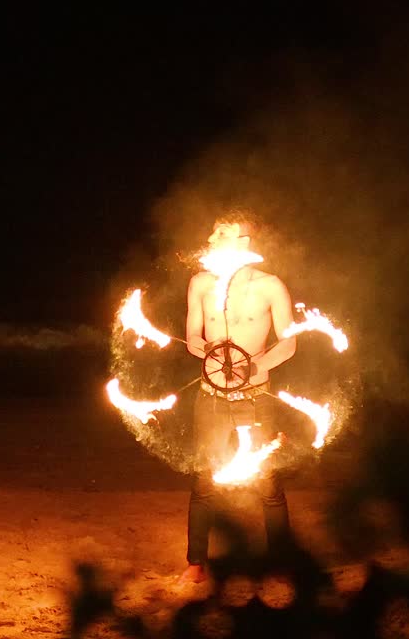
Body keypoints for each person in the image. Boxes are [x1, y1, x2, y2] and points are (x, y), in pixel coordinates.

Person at [179, 213, 297, 584]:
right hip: (211, 396)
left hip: (256, 396)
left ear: (244, 242)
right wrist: (209, 351)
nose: (211, 239)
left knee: (268, 484)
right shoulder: (201, 283)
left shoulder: (270, 286)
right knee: (203, 482)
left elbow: (289, 344)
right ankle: (196, 565)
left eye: (222, 233)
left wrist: (254, 367)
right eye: (212, 232)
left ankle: (280, 563)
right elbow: (192, 336)